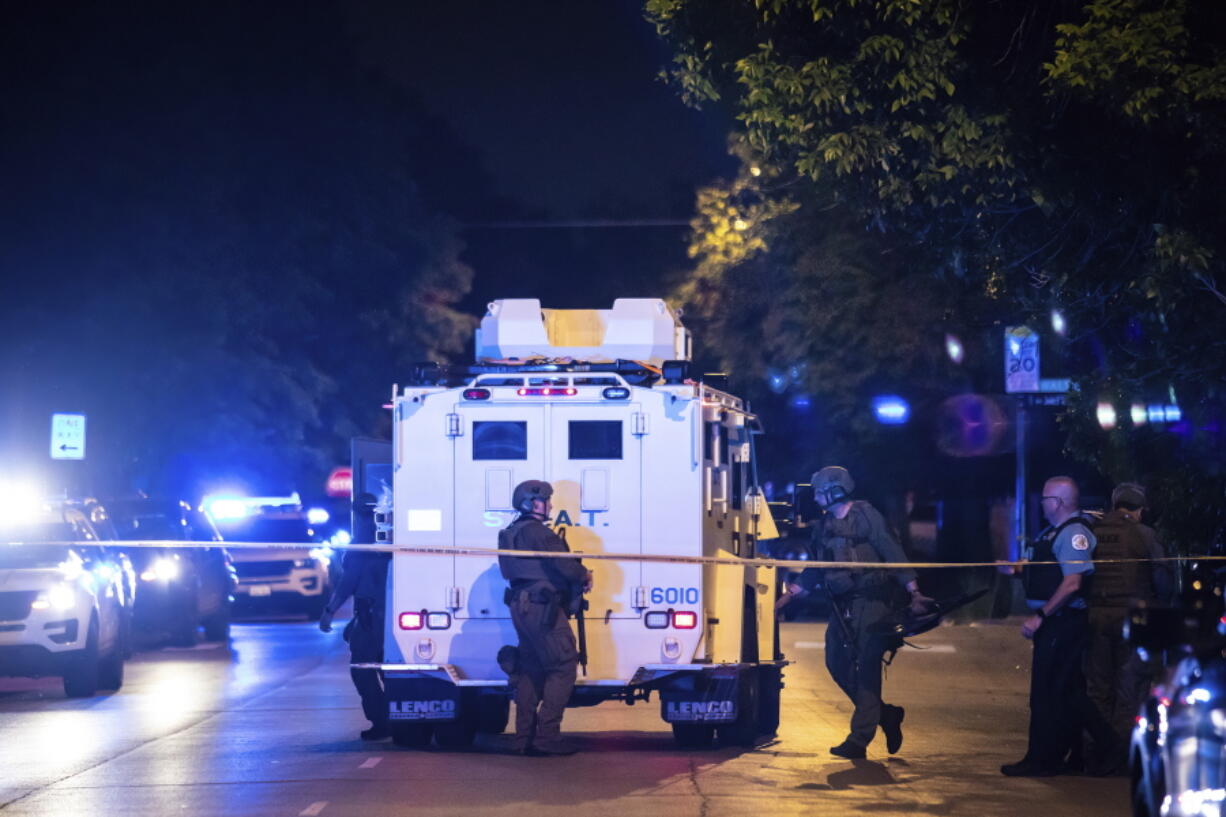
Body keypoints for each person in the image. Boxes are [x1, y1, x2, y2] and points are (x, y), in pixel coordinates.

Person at [804, 466, 932, 759]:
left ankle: (859, 739)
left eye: (819, 492)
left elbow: (893, 552)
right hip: (842, 606)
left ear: (835, 491)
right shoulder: (824, 527)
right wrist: (785, 599)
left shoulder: (866, 516)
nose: (815, 498)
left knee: (867, 669)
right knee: (835, 662)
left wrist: (914, 591)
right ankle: (885, 715)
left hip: (873, 603)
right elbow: (815, 568)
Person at [1001, 476, 1114, 776]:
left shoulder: (1073, 533)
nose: (1042, 503)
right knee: (1067, 692)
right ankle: (1080, 754)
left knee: (1048, 693)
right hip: (1060, 622)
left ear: (1060, 502)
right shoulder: (1054, 532)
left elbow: (1072, 583)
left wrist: (1042, 617)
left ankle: (1043, 759)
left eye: (1046, 499)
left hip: (1063, 622)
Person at [498, 480, 592, 756]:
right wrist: (584, 574)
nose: (550, 505)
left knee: (532, 669)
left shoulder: (512, 532)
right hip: (542, 609)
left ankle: (523, 739)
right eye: (546, 500)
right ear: (532, 503)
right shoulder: (540, 533)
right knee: (563, 665)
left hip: (521, 607)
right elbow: (565, 567)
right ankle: (547, 737)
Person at [1085, 482, 1173, 773]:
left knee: (1098, 688)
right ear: (1139, 510)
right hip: (1133, 620)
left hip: (1097, 616)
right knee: (1129, 688)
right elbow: (1162, 578)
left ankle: (1095, 752)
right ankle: (1120, 756)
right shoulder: (1144, 534)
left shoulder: (1093, 532)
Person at [319, 494, 391, 741]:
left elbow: (348, 582)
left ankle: (382, 721)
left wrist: (329, 611)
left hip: (372, 615)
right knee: (388, 669)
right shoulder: (391, 536)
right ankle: (397, 718)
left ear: (357, 513)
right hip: (389, 614)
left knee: (362, 668)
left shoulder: (362, 540)